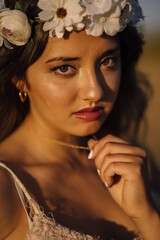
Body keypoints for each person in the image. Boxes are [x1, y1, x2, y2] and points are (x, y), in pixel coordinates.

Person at [0, 0, 159, 239]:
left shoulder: (135, 164)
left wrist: (147, 216)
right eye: (64, 68)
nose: (95, 92)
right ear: (19, 78)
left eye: (107, 61)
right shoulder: (5, 187)